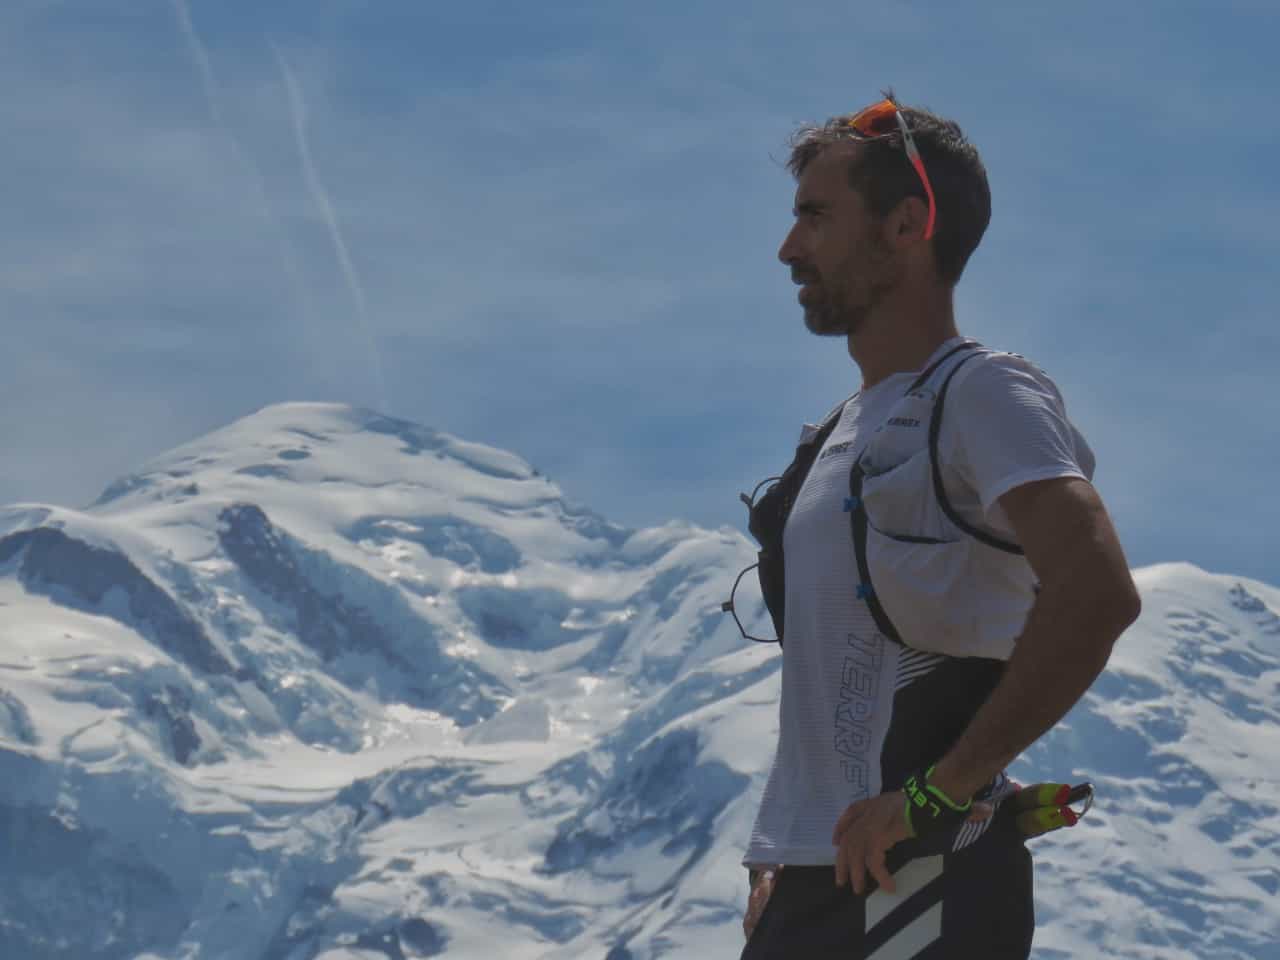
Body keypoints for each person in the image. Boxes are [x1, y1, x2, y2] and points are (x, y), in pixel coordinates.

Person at [735, 94, 1142, 959]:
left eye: (815, 215)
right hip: (815, 884)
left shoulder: (982, 393)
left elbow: (1098, 594)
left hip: (918, 877)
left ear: (906, 224)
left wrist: (938, 795)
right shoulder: (837, 432)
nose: (788, 247)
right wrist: (777, 861)